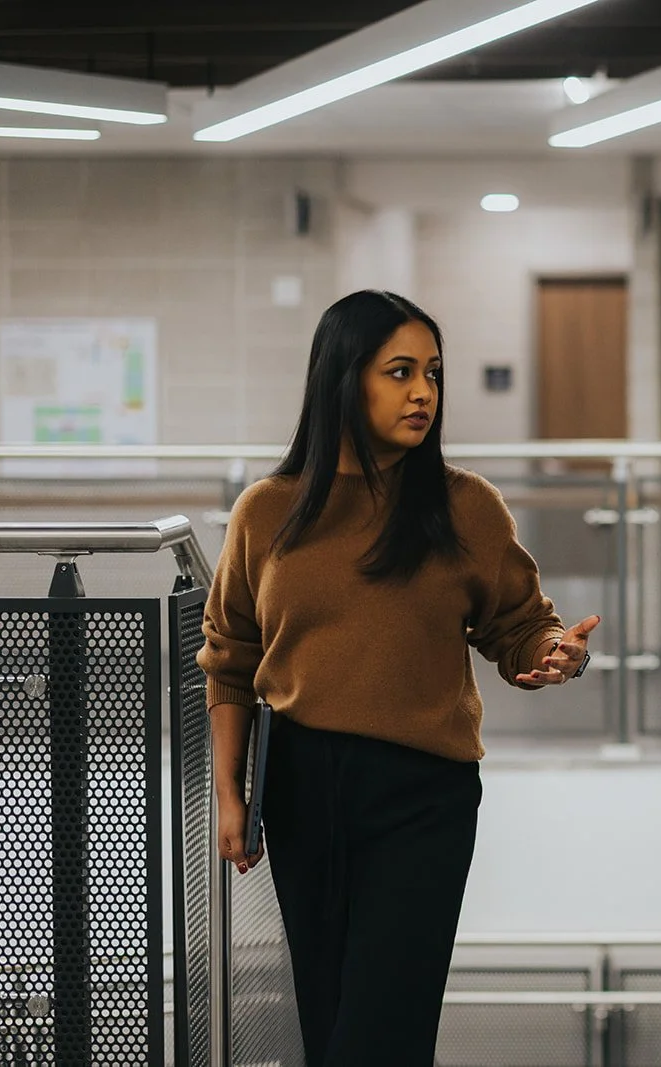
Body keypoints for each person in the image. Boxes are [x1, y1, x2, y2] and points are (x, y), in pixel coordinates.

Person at [198, 289, 599, 1067]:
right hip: (302, 782)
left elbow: (518, 626)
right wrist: (229, 793)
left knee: (383, 1030)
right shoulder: (266, 510)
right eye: (401, 371)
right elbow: (231, 656)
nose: (424, 392)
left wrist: (554, 652)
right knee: (327, 1017)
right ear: (343, 378)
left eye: (434, 373)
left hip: (424, 794)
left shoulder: (465, 505)